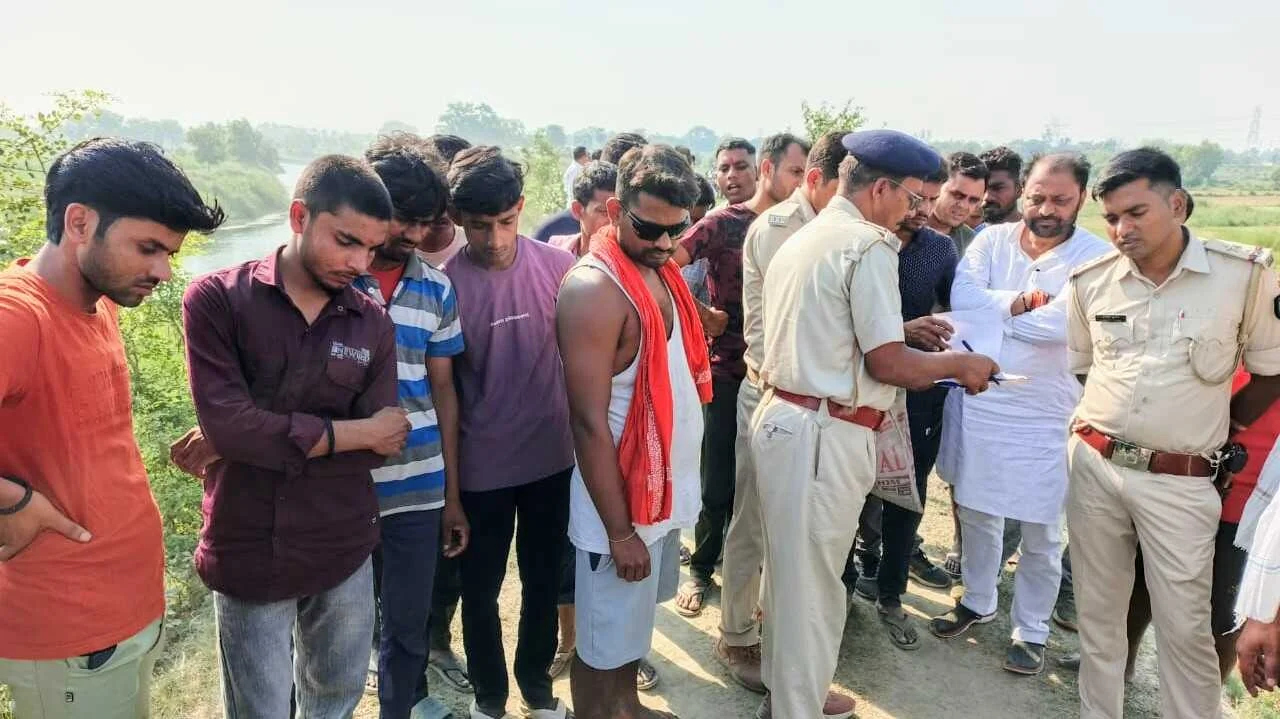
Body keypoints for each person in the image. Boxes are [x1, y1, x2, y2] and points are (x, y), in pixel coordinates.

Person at [751, 129, 999, 719]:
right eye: (913, 197)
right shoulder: (869, 245)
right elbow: (888, 364)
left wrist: (906, 337)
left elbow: (839, 333)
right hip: (823, 431)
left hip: (790, 419)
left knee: (789, 579)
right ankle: (795, 709)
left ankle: (786, 695)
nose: (917, 211)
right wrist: (960, 365)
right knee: (814, 593)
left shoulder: (808, 234)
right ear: (882, 188)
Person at [174, 155, 409, 718]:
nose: (359, 263)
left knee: (335, 698)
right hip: (250, 544)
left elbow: (384, 444)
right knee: (259, 708)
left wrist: (255, 431)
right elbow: (231, 426)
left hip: (343, 543)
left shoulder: (371, 322)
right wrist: (352, 431)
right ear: (300, 216)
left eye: (372, 249)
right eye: (346, 241)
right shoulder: (218, 300)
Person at [0, 139, 223, 719]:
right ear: (80, 222)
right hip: (68, 631)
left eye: (169, 253)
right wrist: (14, 501)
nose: (163, 271)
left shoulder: (98, 304)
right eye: (148, 248)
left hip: (120, 616)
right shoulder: (18, 315)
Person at [1067, 147, 1280, 719]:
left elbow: (1272, 370)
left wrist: (1221, 423)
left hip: (1180, 480)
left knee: (1186, 630)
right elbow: (1086, 368)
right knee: (1099, 619)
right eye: (1111, 218)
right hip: (1095, 466)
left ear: (1178, 204)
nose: (1122, 229)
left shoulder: (1243, 277)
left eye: (1136, 212)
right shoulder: (1091, 281)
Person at [930, 154, 1111, 676]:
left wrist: (995, 316)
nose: (1046, 209)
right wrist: (1021, 305)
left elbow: (1065, 326)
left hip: (1045, 412)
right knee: (978, 511)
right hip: (981, 402)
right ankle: (977, 600)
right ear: (1022, 193)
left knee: (1041, 530)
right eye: (1037, 197)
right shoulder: (990, 240)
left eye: (1060, 199)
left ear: (1081, 198)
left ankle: (1031, 630)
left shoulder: (1095, 257)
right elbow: (963, 298)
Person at [556, 143, 709, 719]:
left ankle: (626, 707)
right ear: (616, 210)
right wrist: (620, 533)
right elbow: (587, 422)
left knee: (629, 630)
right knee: (599, 643)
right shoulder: (594, 290)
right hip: (619, 509)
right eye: (650, 229)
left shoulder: (659, 271)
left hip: (658, 497)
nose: (666, 244)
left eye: (677, 229)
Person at [442, 146, 575, 719]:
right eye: (478, 226)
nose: (494, 239)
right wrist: (451, 495)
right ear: (457, 220)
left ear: (520, 208)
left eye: (504, 222)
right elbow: (445, 395)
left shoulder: (561, 269)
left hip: (552, 460)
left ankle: (537, 688)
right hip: (481, 471)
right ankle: (489, 697)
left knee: (544, 583)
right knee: (480, 591)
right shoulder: (445, 287)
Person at [714, 129, 849, 695]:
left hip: (818, 402)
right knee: (753, 520)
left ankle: (783, 651)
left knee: (797, 533)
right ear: (813, 178)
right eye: (794, 173)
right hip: (773, 393)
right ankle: (736, 635)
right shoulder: (778, 230)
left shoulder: (843, 230)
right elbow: (783, 331)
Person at [352, 138, 470, 719]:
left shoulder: (436, 287)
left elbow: (443, 391)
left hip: (418, 488)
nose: (415, 234)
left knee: (407, 624)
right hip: (340, 488)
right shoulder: (332, 279)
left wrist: (452, 496)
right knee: (336, 629)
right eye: (404, 218)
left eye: (428, 222)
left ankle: (402, 707)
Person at [672, 133, 811, 618]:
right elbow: (665, 264)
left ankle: (755, 581)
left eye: (740, 166)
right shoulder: (720, 224)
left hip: (790, 377)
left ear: (760, 170)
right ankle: (701, 569)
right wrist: (701, 314)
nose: (732, 175)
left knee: (771, 487)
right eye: (724, 167)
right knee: (718, 482)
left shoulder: (803, 228)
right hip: (729, 371)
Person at [850, 158, 962, 650]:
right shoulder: (858, 242)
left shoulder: (939, 249)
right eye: (915, 198)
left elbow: (955, 310)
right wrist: (900, 331)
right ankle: (847, 586)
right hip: (858, 388)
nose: (921, 209)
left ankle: (891, 593)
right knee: (852, 492)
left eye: (929, 199)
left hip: (918, 392)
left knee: (907, 494)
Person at [418, 134, 473, 268]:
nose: (444, 205)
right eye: (435, 190)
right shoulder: (385, 252)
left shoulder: (481, 253)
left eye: (452, 191)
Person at [550, 160, 618, 258]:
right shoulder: (554, 253)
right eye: (604, 212)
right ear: (577, 210)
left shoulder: (634, 261)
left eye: (619, 212)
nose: (614, 221)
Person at [926, 152, 988, 257]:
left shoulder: (973, 245)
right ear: (938, 186)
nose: (963, 205)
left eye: (973, 200)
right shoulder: (906, 227)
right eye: (958, 195)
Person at [978, 146, 1024, 228]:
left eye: (997, 188)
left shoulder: (1037, 233)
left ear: (1018, 190)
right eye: (982, 189)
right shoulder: (971, 234)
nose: (987, 197)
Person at [712, 137, 758, 205]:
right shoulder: (715, 212)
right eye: (724, 169)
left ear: (756, 172)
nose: (731, 174)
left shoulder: (772, 210)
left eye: (741, 167)